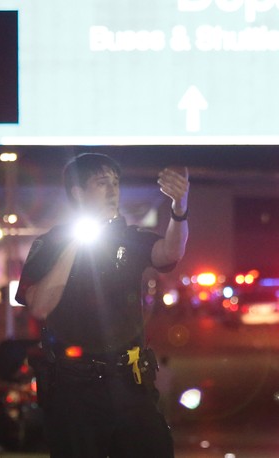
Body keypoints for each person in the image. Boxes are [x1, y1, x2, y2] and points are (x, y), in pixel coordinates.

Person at [15, 153, 189, 457]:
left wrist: (179, 210)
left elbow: (169, 253)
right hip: (74, 389)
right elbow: (40, 306)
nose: (112, 190)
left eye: (116, 182)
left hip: (129, 382)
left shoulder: (128, 238)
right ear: (78, 193)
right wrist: (76, 243)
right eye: (101, 182)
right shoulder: (51, 244)